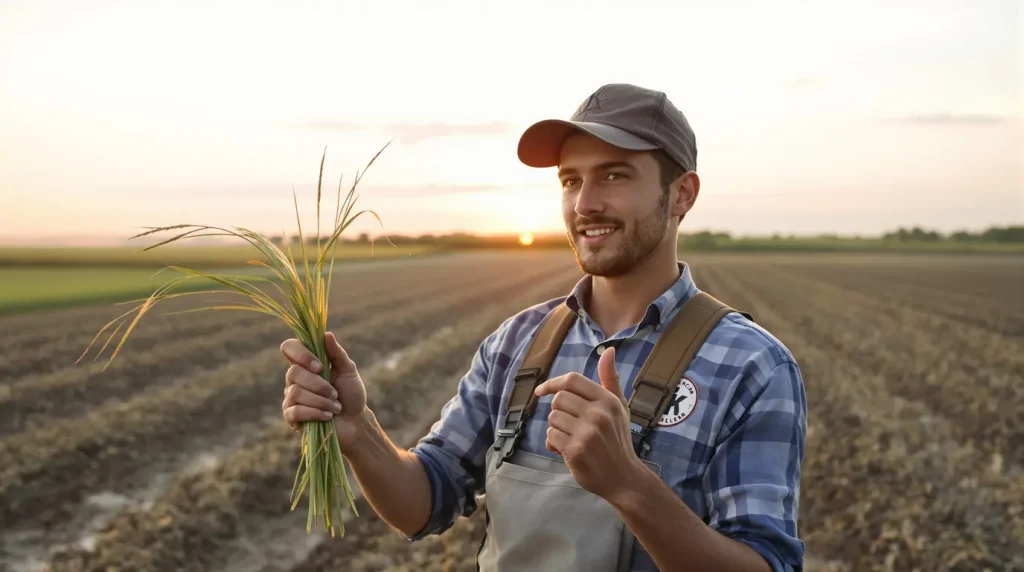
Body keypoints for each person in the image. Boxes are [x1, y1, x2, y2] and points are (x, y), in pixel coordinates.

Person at [279, 83, 807, 571]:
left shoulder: (753, 367)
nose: (585, 203)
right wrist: (359, 431)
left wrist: (628, 485)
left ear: (682, 194)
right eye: (571, 180)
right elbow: (425, 502)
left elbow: (765, 563)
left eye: (615, 175)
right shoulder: (517, 343)